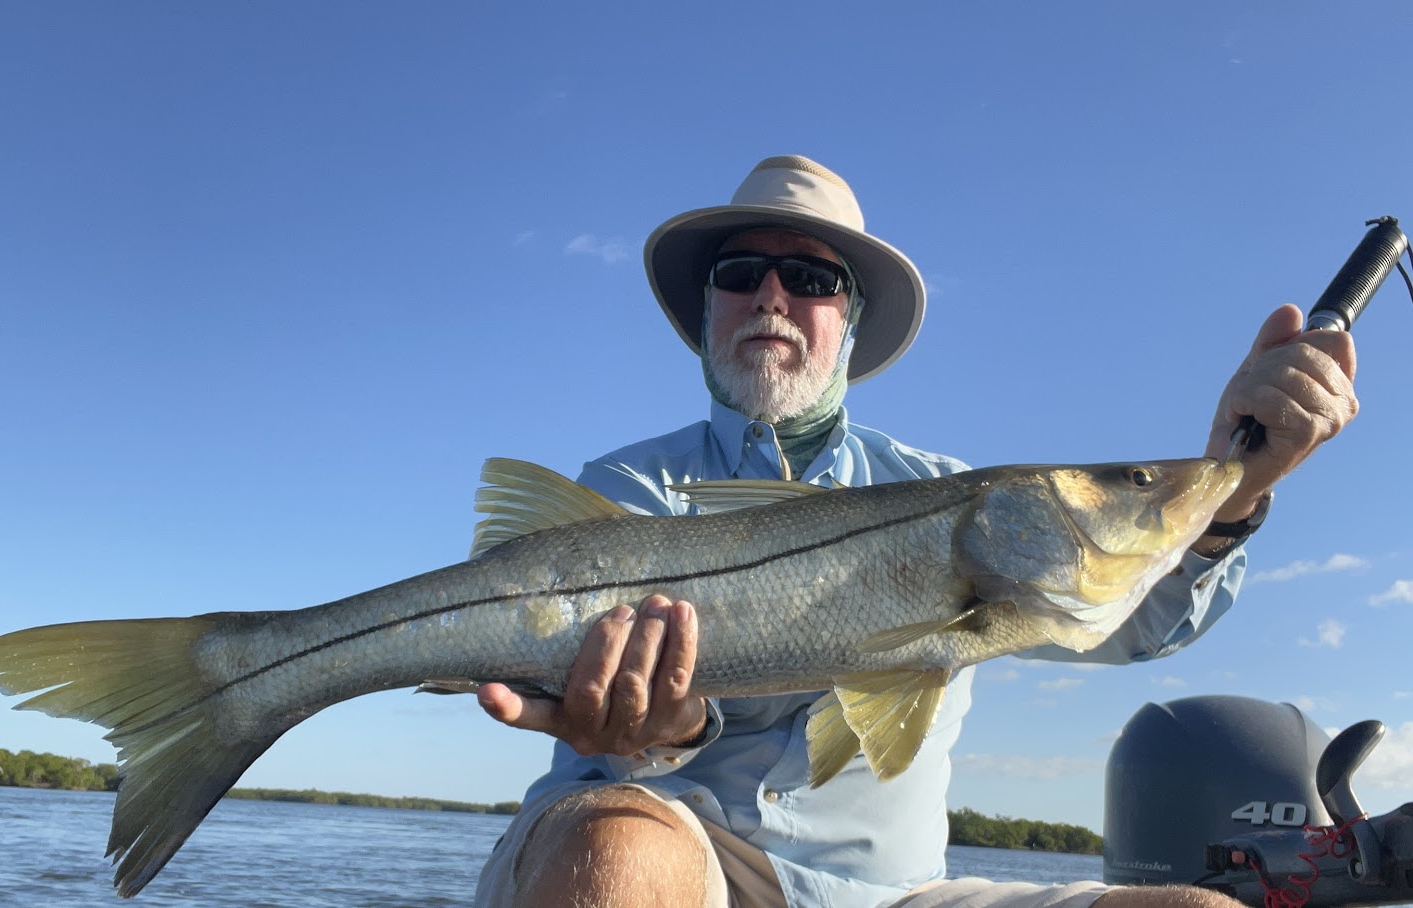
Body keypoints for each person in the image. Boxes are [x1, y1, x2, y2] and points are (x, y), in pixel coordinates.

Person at [471, 156, 1358, 908]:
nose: (772, 294)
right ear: (708, 313)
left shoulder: (945, 488)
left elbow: (1133, 622)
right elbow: (620, 711)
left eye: (812, 280)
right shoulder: (628, 488)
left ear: (849, 321)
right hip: (674, 842)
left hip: (900, 892)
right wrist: (668, 729)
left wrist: (1233, 488)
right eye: (739, 273)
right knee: (619, 851)